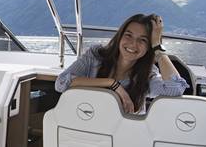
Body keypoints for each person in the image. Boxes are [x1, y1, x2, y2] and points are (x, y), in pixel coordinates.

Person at [54, 13, 189, 114]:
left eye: (143, 40)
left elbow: (175, 89)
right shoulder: (95, 56)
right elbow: (61, 83)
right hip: (90, 128)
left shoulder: (147, 75)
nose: (133, 44)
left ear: (149, 47)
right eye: (128, 35)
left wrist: (157, 46)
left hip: (125, 136)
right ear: (120, 36)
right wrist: (113, 84)